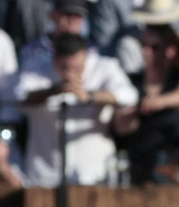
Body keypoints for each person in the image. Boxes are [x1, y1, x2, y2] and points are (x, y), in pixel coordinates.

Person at [11, 30, 136, 186]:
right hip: (45, 175)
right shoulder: (35, 68)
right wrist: (55, 90)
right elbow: (18, 97)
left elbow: (129, 96)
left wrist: (90, 96)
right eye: (64, 67)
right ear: (55, 58)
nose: (70, 74)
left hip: (94, 174)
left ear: (85, 55)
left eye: (76, 68)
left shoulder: (105, 67)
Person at [113, 10, 179, 185]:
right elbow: (120, 125)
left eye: (154, 47)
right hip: (138, 171)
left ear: (169, 51)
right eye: (143, 45)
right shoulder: (131, 81)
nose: (146, 52)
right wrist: (137, 110)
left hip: (175, 172)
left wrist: (159, 102)